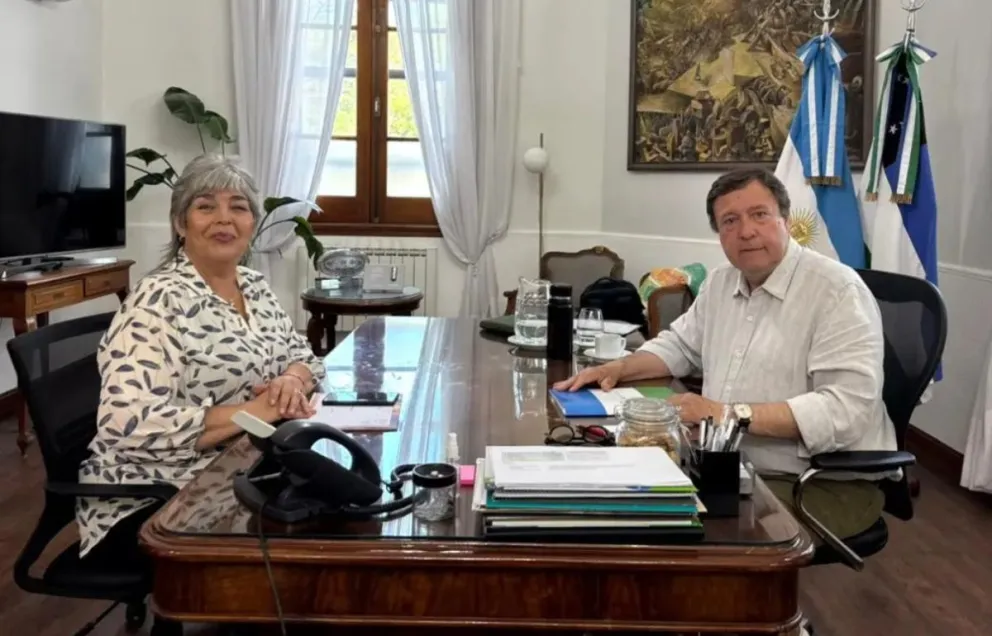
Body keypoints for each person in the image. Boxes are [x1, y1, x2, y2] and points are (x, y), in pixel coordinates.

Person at [555, 168, 897, 543]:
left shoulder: (837, 291)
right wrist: (619, 367)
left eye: (759, 214)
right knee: (610, 496)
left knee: (674, 533)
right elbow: (679, 345)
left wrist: (724, 415)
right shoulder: (721, 282)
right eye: (730, 221)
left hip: (818, 483)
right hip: (724, 465)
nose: (746, 231)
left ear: (785, 220)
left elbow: (845, 411)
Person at [77, 155, 325, 560]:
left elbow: (304, 356)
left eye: (238, 207)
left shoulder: (254, 285)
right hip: (157, 496)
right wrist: (255, 412)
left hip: (242, 469)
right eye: (206, 206)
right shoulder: (156, 302)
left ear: (252, 223)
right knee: (310, 547)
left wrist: (291, 381)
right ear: (181, 223)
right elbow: (127, 422)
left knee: (340, 507)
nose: (224, 219)